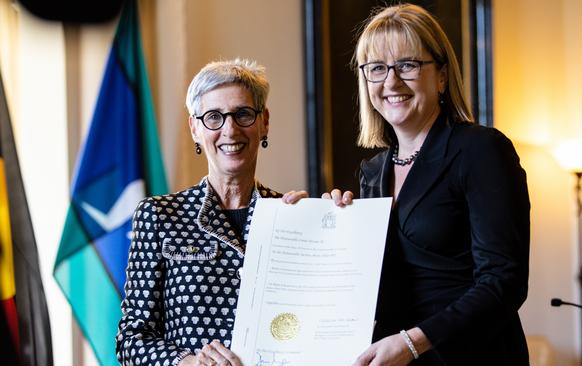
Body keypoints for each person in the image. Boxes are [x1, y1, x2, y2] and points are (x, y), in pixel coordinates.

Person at [327, 4, 531, 365]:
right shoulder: (372, 172)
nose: (391, 82)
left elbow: (504, 281)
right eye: (376, 69)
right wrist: (328, 227)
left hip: (474, 356)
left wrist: (412, 343)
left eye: (407, 65)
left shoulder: (480, 150)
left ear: (441, 75)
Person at [115, 59, 306, 366]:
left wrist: (335, 220)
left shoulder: (291, 215)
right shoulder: (159, 215)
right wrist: (188, 363)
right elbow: (131, 340)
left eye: (243, 114)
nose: (230, 129)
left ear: (264, 122)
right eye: (214, 117)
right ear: (195, 128)